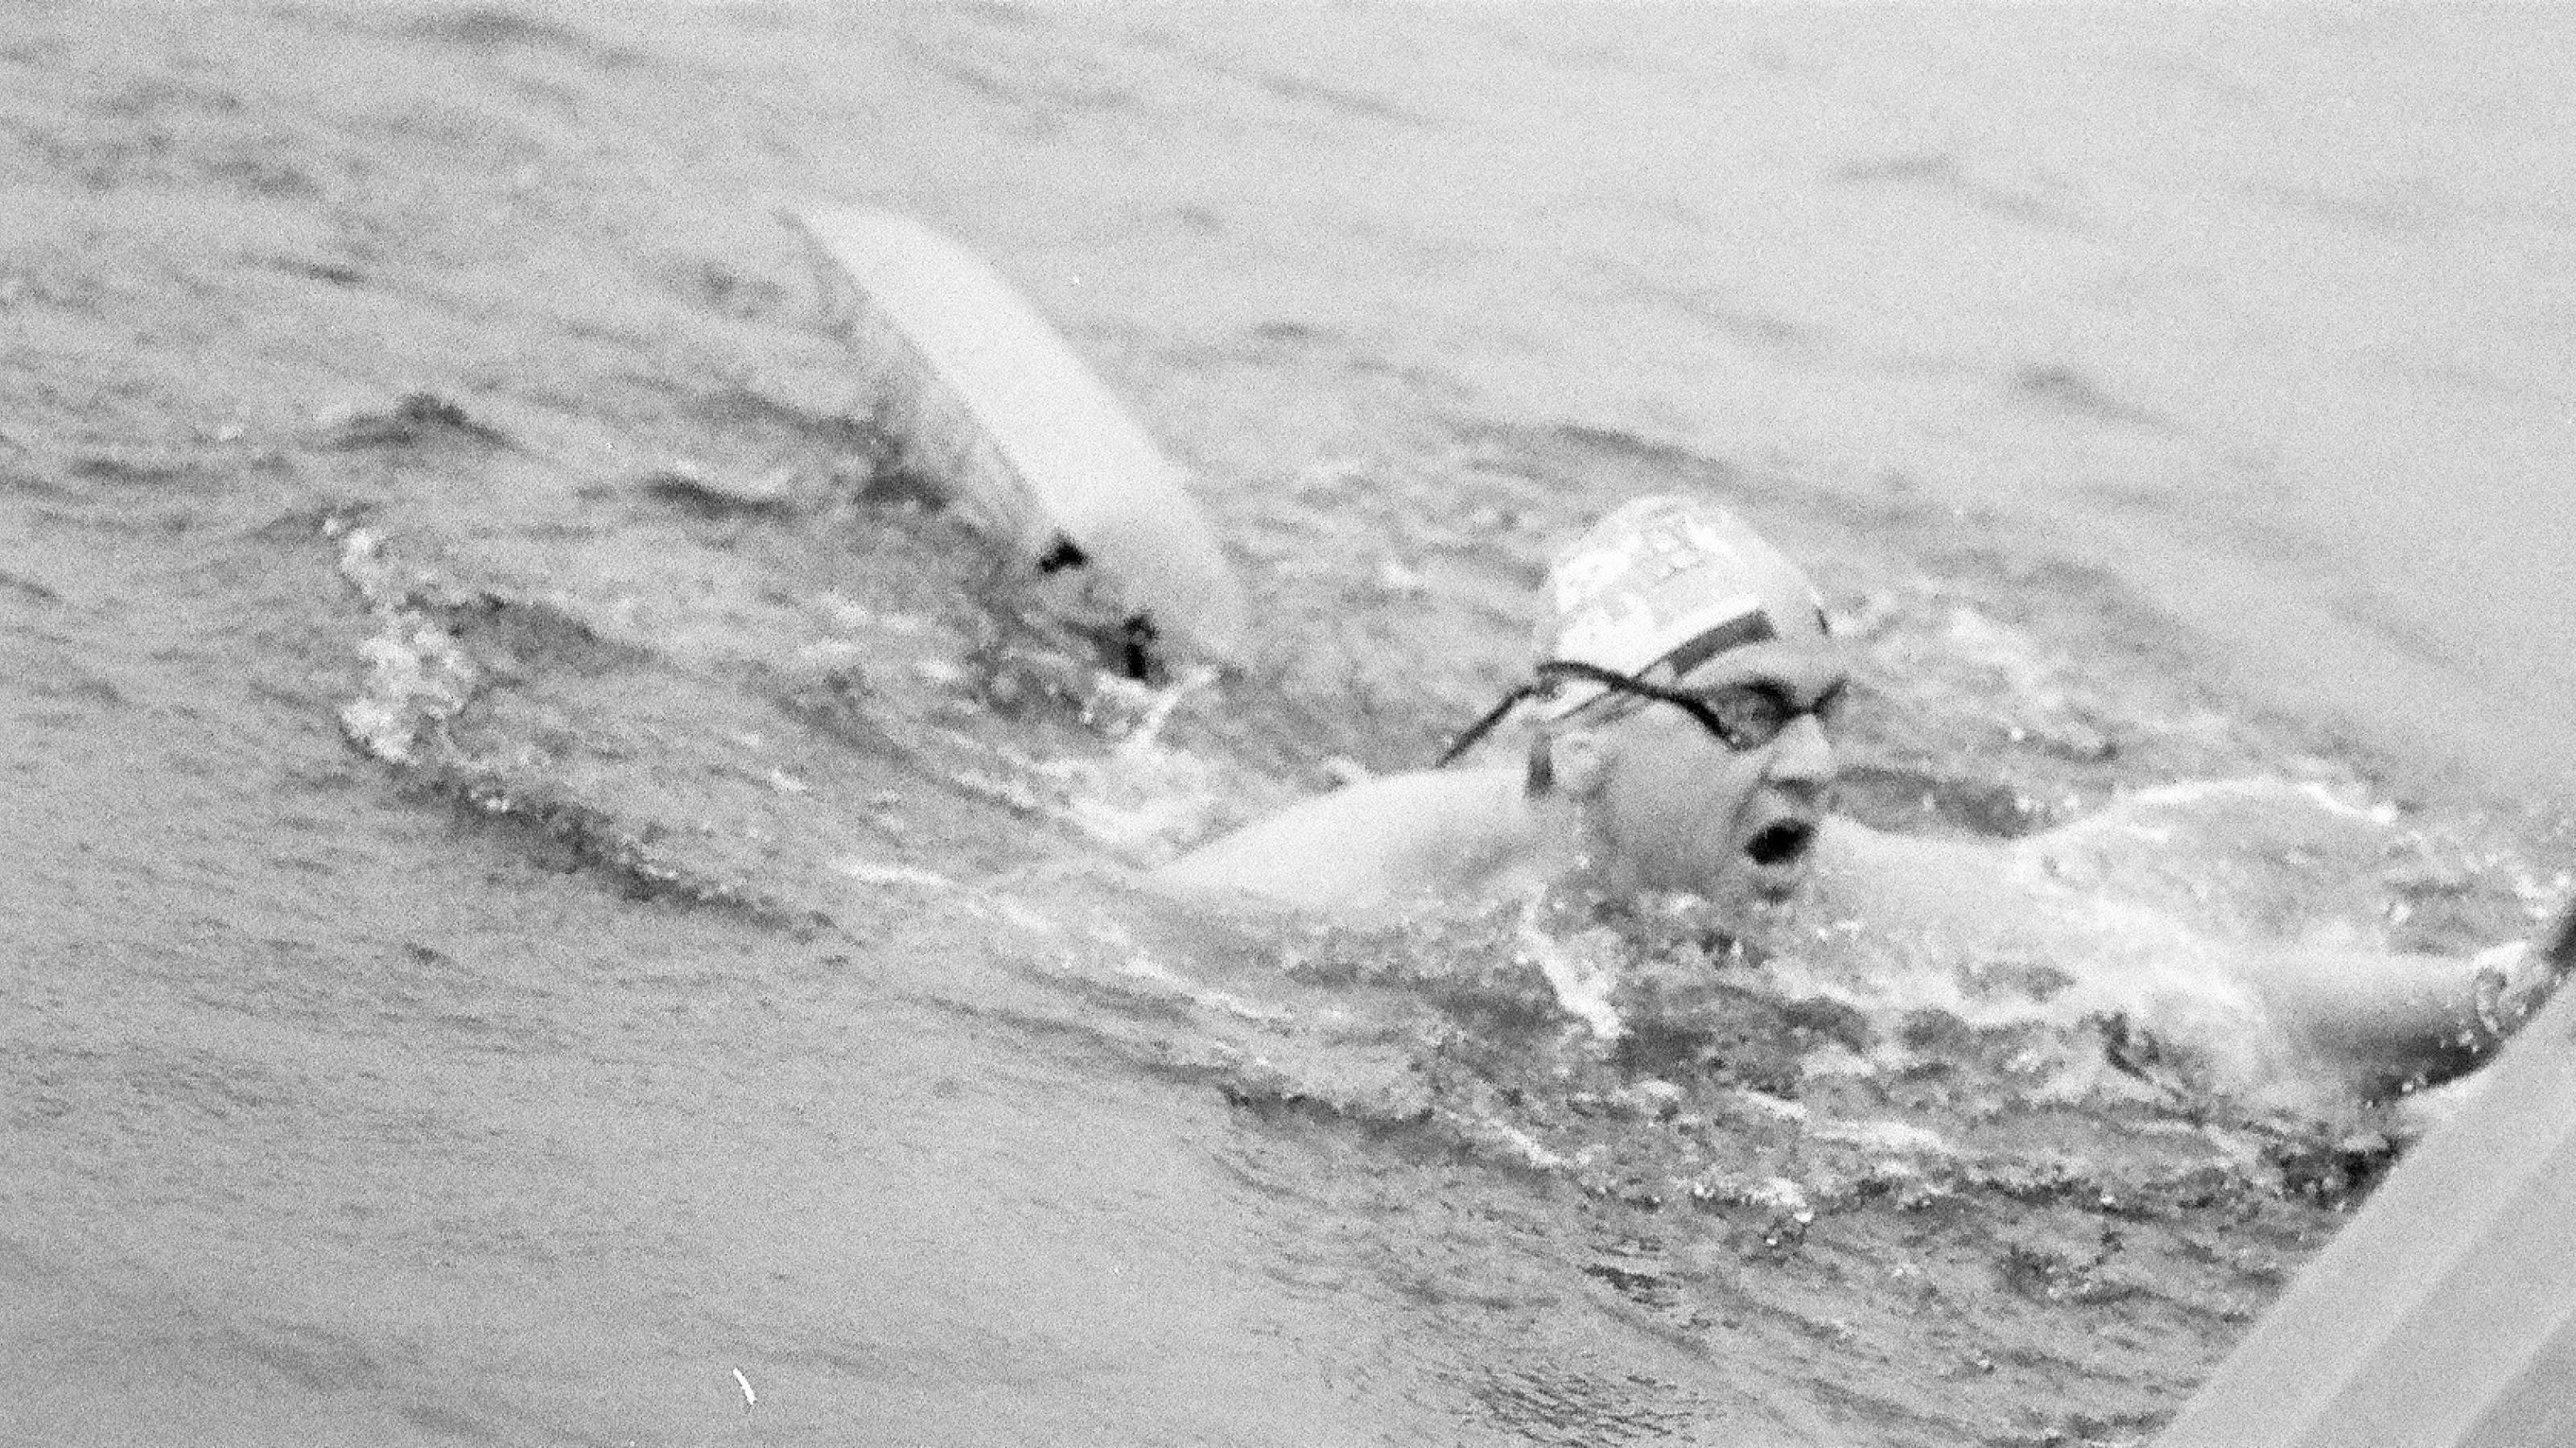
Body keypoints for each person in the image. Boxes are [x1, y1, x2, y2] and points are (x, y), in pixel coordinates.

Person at [1151, 495, 2570, 1099]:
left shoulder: (1836, 881)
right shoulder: (1349, 876)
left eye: (1827, 713)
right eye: (1755, 712)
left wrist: (2508, 991)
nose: (1815, 765)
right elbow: (1104, 962)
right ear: (1579, 741)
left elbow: (2193, 984)